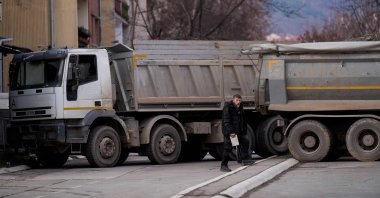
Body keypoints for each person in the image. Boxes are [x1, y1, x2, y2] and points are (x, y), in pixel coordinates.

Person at [220, 94, 254, 172]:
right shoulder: (228, 107)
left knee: (245, 142)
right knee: (228, 148)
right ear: (233, 100)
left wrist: (244, 131)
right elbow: (226, 121)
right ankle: (223, 165)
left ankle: (244, 159)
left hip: (238, 132)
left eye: (239, 100)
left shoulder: (240, 107)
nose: (238, 102)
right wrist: (231, 132)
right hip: (232, 133)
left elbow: (243, 119)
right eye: (237, 100)